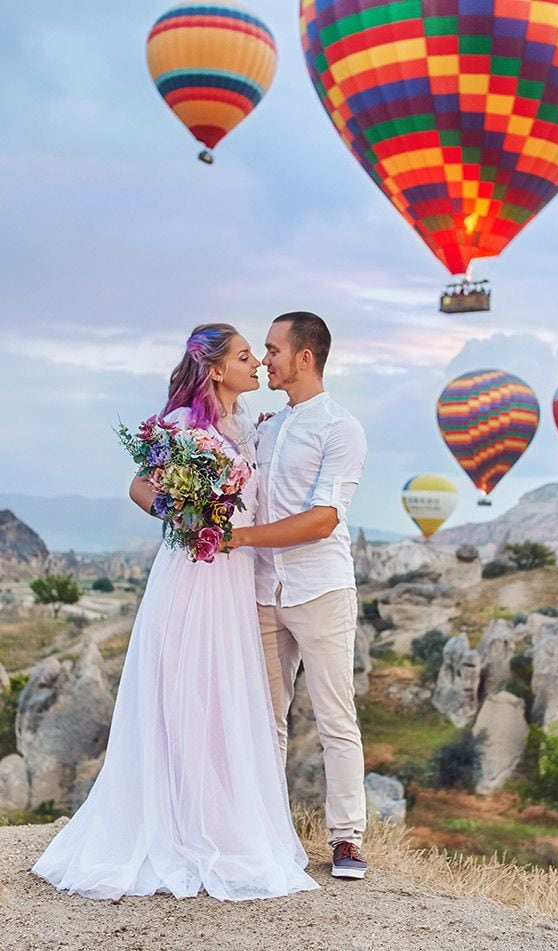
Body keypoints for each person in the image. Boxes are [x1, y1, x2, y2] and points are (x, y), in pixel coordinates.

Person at [32, 324, 318, 902]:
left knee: (222, 695)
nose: (257, 364)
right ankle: (171, 826)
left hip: (233, 578)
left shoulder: (247, 428)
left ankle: (214, 821)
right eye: (245, 357)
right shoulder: (182, 425)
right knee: (183, 689)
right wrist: (185, 511)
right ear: (215, 369)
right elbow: (140, 487)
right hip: (192, 573)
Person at [228, 312, 368, 880]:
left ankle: (346, 839)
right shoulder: (265, 427)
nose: (264, 360)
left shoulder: (341, 429)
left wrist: (239, 538)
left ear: (304, 357)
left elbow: (321, 520)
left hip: (321, 590)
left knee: (336, 717)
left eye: (272, 349)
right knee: (265, 717)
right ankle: (267, 830)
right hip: (263, 592)